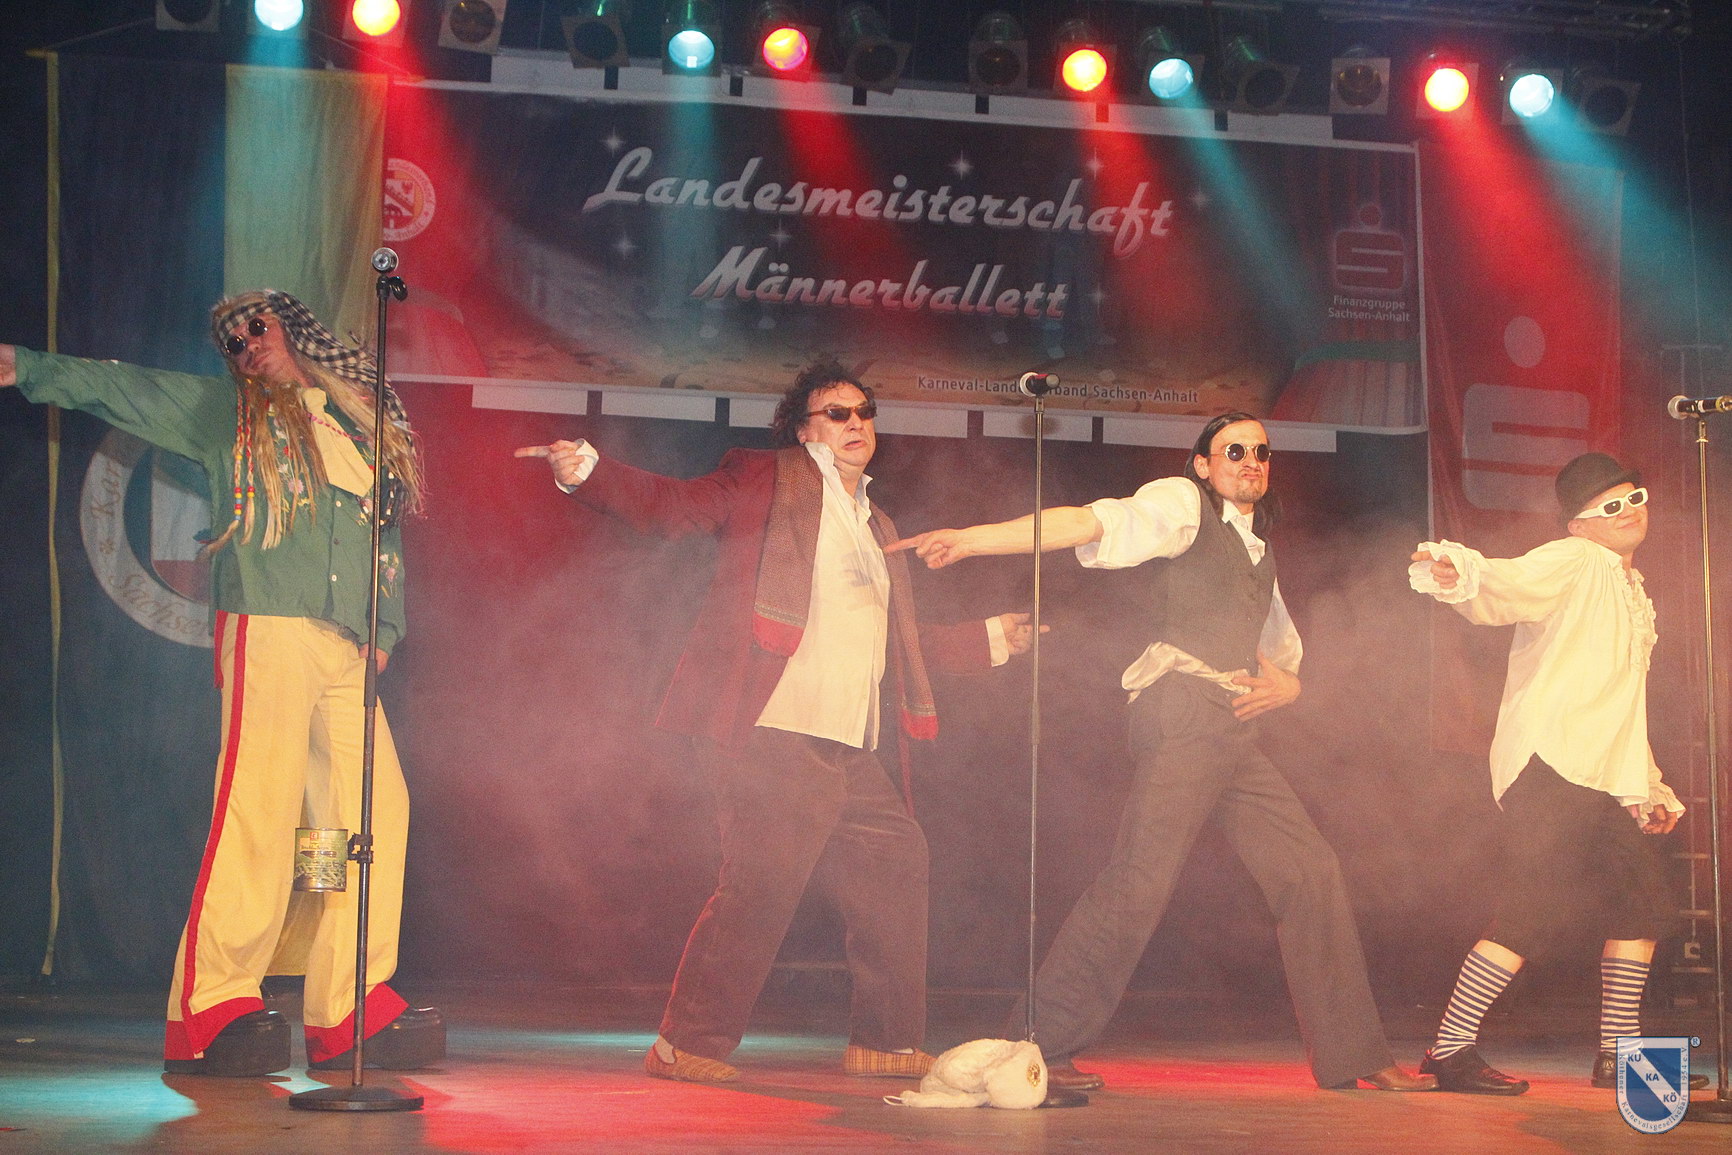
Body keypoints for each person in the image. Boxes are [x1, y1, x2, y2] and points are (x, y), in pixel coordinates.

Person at [516, 358, 1036, 1084]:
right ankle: (683, 1043)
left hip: (846, 740)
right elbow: (676, 506)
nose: (856, 424)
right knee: (762, 883)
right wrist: (589, 472)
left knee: (895, 861)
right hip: (773, 724)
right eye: (837, 413)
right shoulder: (765, 477)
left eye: (864, 412)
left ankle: (885, 1040)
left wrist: (990, 638)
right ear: (803, 429)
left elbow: (895, 642)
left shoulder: (877, 524)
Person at [890, 411, 1435, 1094]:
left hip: (1230, 725)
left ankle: (1355, 1053)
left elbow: (1281, 653)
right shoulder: (1183, 505)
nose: (1251, 460)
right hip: (1183, 712)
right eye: (1234, 450)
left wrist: (1289, 686)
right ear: (1203, 464)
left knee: (1309, 869)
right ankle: (1039, 1044)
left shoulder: (1256, 549)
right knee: (1140, 878)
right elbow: (1088, 522)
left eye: (1262, 451)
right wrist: (973, 540)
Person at [0, 291, 443, 1076]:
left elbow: (384, 540)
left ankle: (347, 1002)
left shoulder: (356, 424)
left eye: (256, 328)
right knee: (258, 810)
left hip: (347, 643)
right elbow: (128, 387)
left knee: (370, 815)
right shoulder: (229, 413)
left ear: (294, 329)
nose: (245, 344)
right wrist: (29, 367)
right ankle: (213, 1001)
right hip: (269, 625)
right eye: (232, 341)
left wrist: (388, 629)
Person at [1410, 451, 1697, 1094]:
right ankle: (1449, 1048)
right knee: (1531, 912)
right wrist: (1462, 570)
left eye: (1635, 497)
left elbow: (1621, 704)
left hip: (1603, 776)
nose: (1628, 512)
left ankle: (1618, 1054)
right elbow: (1512, 581)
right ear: (1578, 524)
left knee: (1641, 907)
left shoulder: (1630, 585)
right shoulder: (1577, 559)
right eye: (1610, 505)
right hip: (1553, 764)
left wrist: (1647, 784)